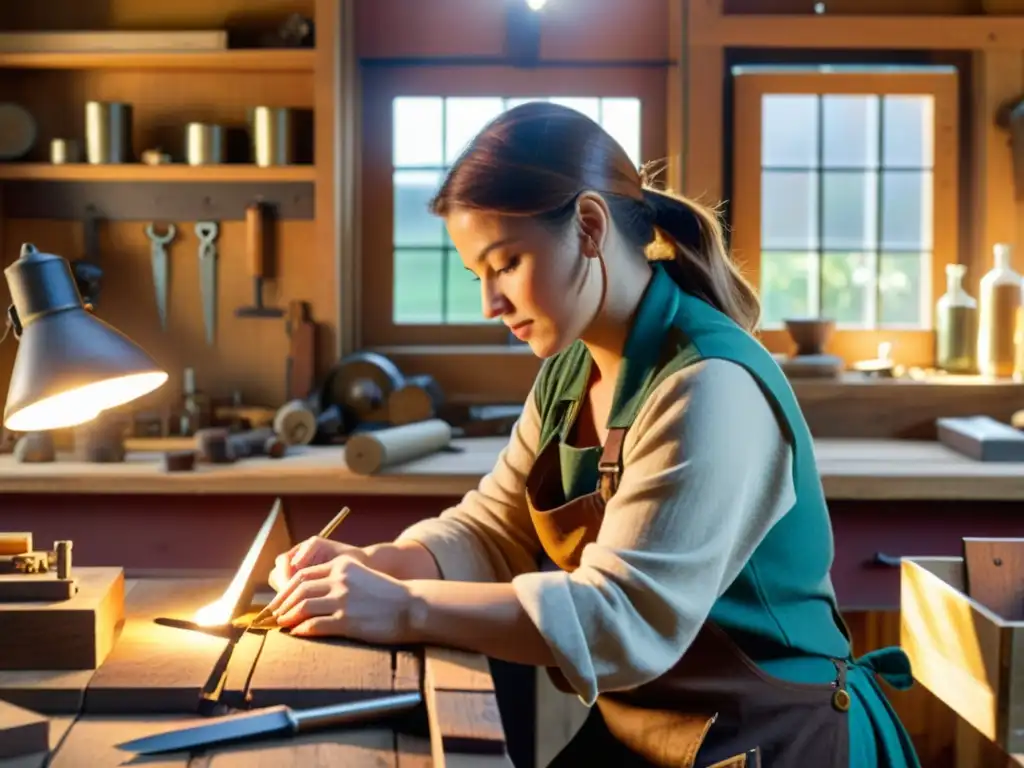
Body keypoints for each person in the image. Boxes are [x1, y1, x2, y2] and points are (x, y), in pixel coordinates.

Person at [264, 102, 921, 768]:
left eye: (506, 263)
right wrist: (376, 564)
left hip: (775, 737)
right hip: (650, 726)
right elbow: (497, 529)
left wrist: (403, 607)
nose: (490, 304)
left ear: (587, 225)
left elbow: (620, 619)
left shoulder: (708, 385)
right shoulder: (570, 370)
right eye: (477, 276)